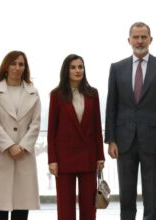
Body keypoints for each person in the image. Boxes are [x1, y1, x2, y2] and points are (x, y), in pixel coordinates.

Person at [105, 21, 156, 220]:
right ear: (129, 40)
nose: (139, 41)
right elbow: (112, 105)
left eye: (143, 37)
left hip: (154, 143)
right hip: (123, 141)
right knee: (126, 195)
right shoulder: (116, 68)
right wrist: (110, 139)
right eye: (136, 37)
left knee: (152, 195)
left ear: (150, 40)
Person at [47, 54, 105, 220]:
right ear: (66, 70)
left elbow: (96, 127)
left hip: (88, 157)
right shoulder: (56, 95)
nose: (77, 70)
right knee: (65, 208)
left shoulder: (92, 93)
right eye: (73, 67)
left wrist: (100, 157)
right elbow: (52, 130)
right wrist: (52, 160)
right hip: (64, 158)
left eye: (80, 67)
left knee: (89, 207)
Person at [0, 51, 41, 220]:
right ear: (6, 67)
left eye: (21, 64)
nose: (17, 67)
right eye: (13, 63)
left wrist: (22, 146)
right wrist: (9, 146)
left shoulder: (33, 93)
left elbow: (35, 124)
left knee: (21, 210)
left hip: (24, 156)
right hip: (0, 156)